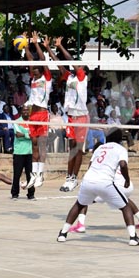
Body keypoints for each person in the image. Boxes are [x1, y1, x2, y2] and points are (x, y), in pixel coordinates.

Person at [57, 128, 139, 246]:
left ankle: (62, 234)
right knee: (125, 207)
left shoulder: (100, 148)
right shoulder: (120, 149)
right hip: (104, 182)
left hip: (88, 180)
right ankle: (133, 237)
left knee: (79, 205)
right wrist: (127, 180)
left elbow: (91, 165)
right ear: (119, 139)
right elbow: (123, 165)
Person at [45, 37, 89, 192]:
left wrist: (61, 46)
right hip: (71, 116)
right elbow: (59, 63)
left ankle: (74, 178)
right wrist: (49, 49)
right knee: (71, 148)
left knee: (78, 149)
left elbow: (70, 60)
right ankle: (69, 177)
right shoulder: (69, 76)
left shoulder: (82, 77)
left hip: (82, 116)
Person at [24, 32, 52, 189]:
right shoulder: (34, 78)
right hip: (32, 115)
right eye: (32, 71)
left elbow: (41, 60)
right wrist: (26, 47)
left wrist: (37, 44)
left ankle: (41, 174)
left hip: (42, 113)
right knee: (33, 144)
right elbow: (30, 61)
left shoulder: (46, 77)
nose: (33, 72)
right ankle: (33, 175)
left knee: (41, 145)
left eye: (35, 70)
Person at [11, 104, 36, 200]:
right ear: (21, 112)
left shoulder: (32, 122)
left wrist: (25, 135)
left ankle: (31, 194)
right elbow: (18, 134)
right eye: (24, 110)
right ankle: (15, 194)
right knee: (17, 174)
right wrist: (28, 135)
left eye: (27, 110)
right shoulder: (17, 122)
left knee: (30, 175)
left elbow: (34, 134)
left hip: (29, 152)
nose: (25, 112)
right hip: (19, 152)